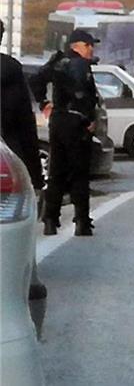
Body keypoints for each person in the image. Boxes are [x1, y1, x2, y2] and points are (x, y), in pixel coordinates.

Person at [29, 29, 100, 237]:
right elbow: (83, 96)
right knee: (79, 173)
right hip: (76, 123)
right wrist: (88, 120)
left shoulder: (57, 62)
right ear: (76, 45)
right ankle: (82, 222)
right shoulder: (80, 66)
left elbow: (35, 80)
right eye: (88, 45)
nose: (91, 49)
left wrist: (43, 102)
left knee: (56, 173)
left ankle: (50, 221)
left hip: (58, 122)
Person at [1, 19, 48, 300]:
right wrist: (35, 172)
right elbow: (25, 124)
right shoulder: (11, 72)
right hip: (10, 156)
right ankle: (29, 278)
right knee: (20, 212)